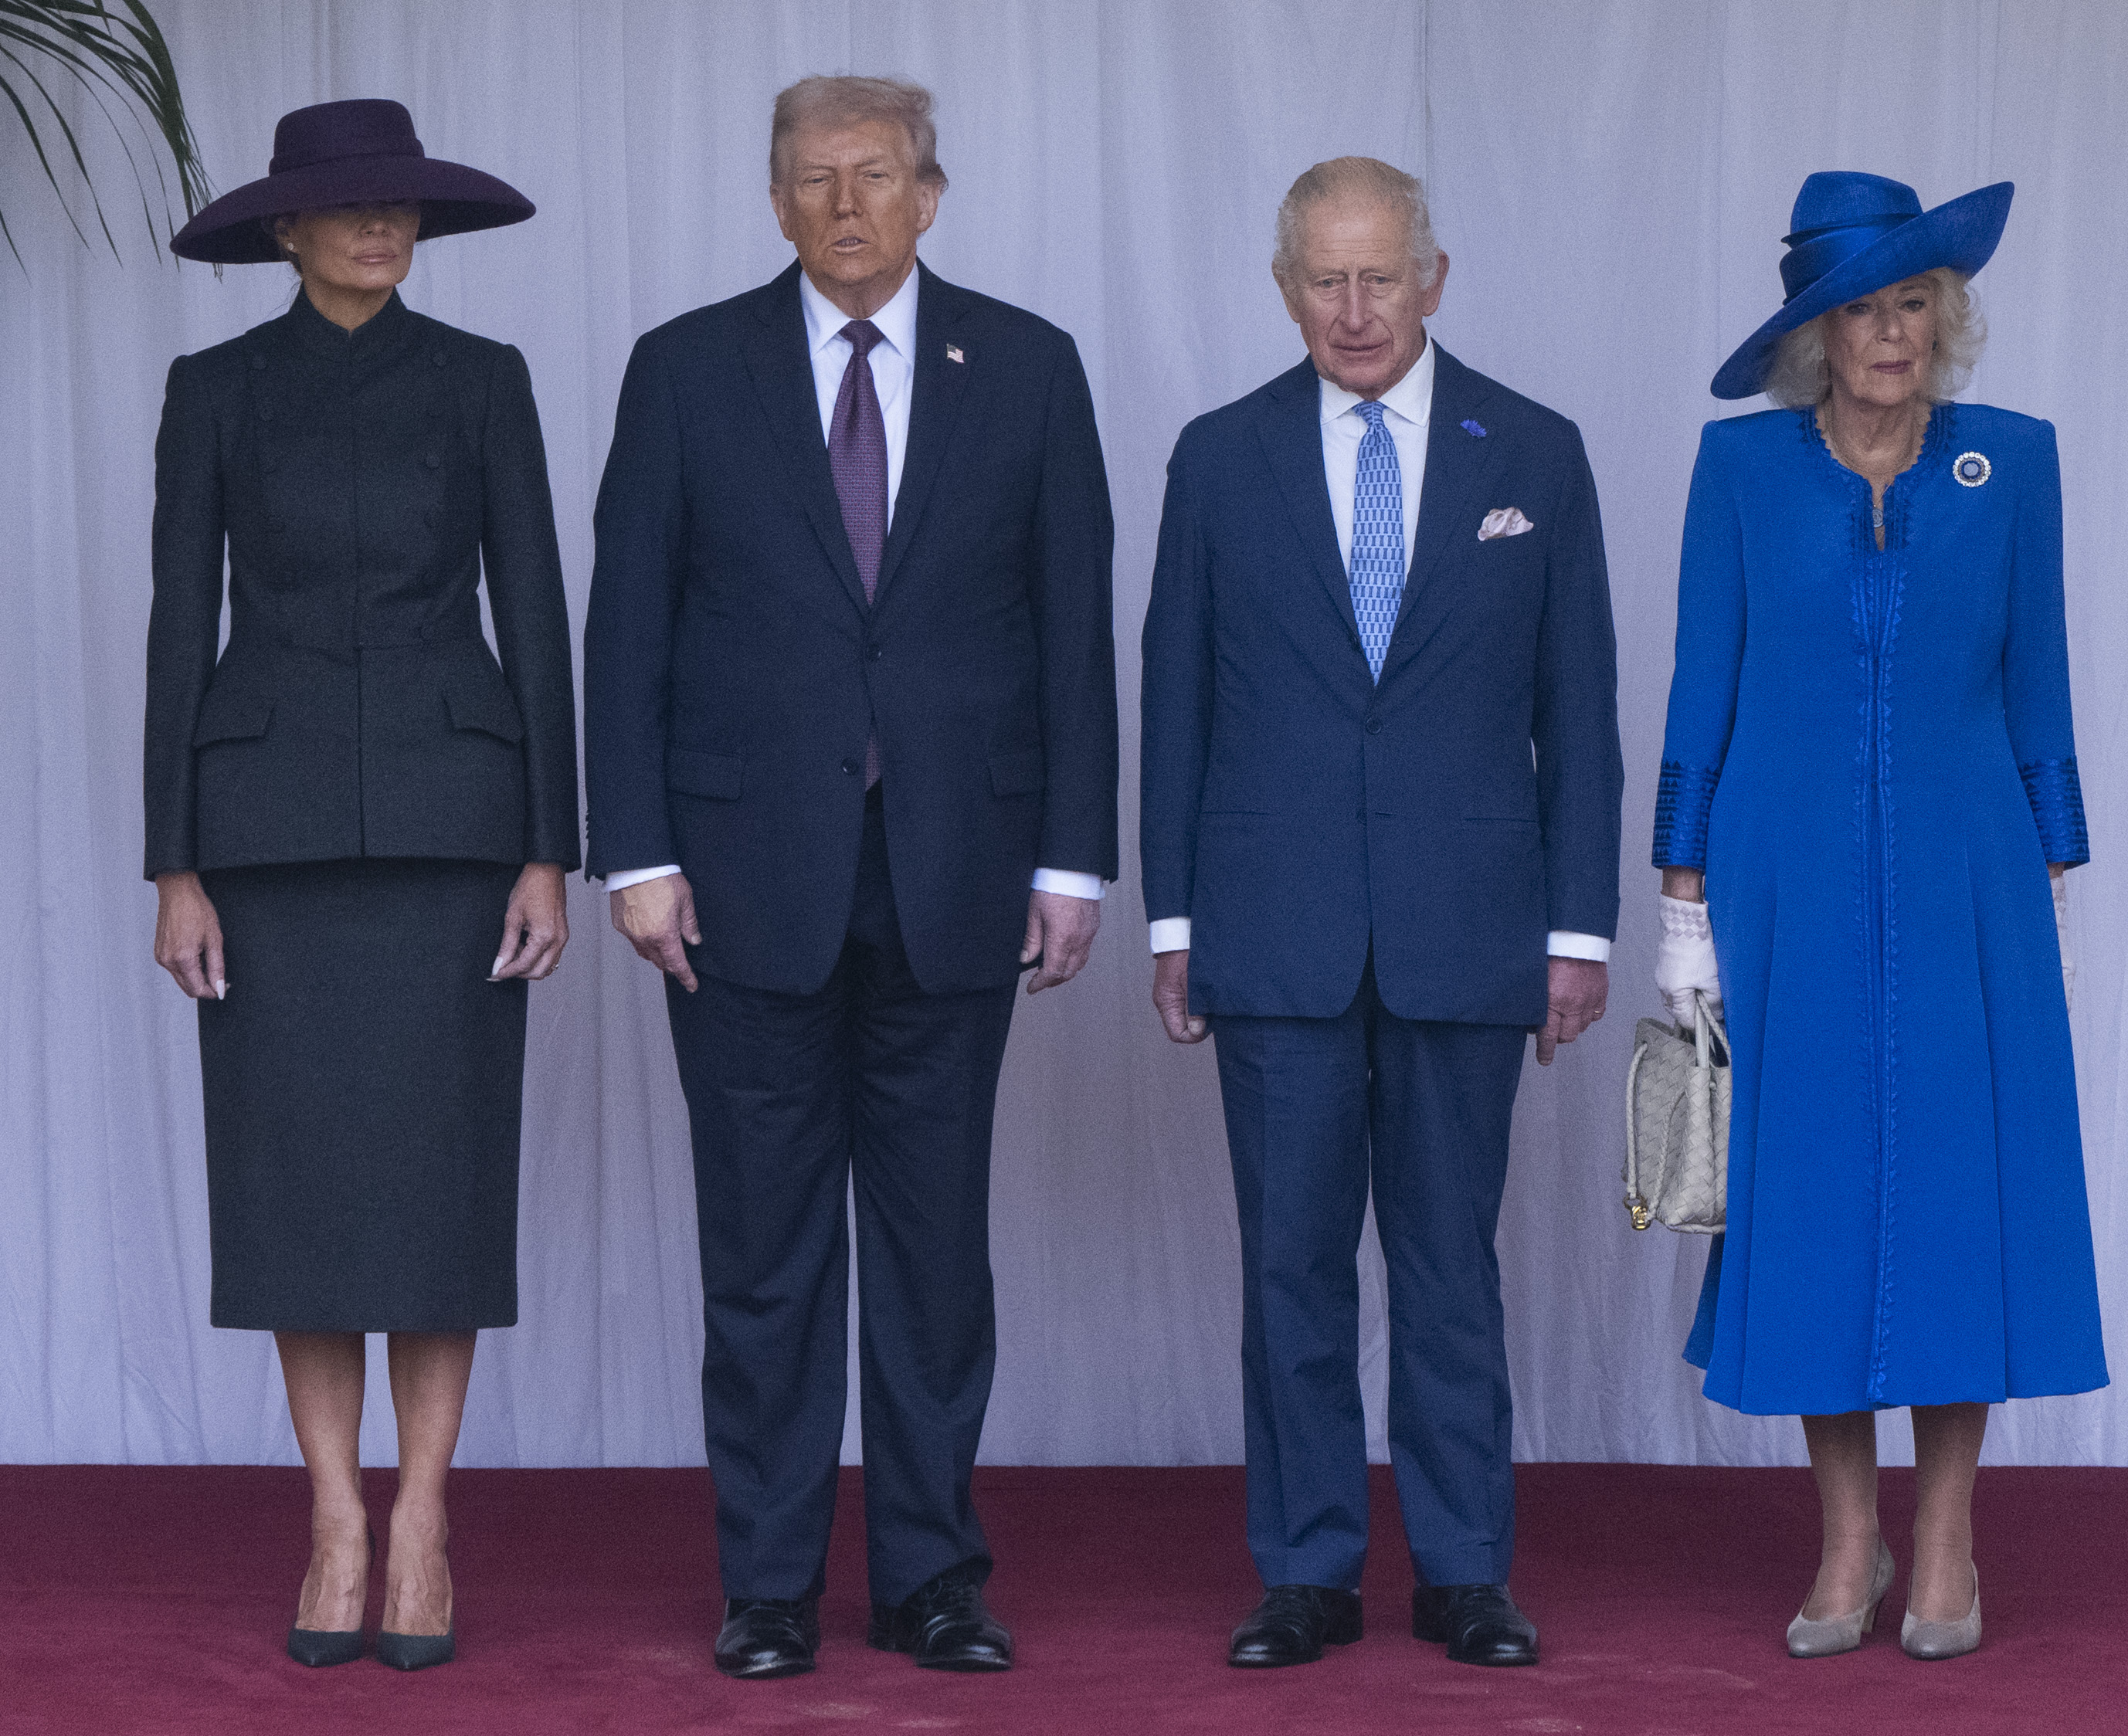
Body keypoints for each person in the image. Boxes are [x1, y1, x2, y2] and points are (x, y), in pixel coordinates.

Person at [585, 75, 1117, 1680]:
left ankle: (932, 1576)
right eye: (812, 178)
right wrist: (641, 855)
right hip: (741, 884)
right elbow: (629, 629)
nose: (843, 203)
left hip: (957, 868)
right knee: (762, 1255)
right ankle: (765, 1584)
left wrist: (1074, 858)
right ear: (774, 201)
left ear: (930, 195)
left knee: (935, 1256)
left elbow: (1071, 628)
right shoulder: (686, 370)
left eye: (874, 174)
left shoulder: (1026, 366)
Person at [1141, 157, 1623, 1670]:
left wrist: (1577, 928)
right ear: (1284, 286)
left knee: (1446, 1259)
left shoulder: (1533, 453)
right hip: (1271, 921)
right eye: (1322, 280)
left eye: (1378, 277)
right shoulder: (1219, 458)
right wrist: (1172, 918)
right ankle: (1307, 1568)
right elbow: (1174, 703)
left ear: (1435, 276)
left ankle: (1466, 1564)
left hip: (1468, 923)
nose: (1352, 310)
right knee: (1286, 1256)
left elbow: (1581, 711)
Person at [1654, 171, 2107, 1661]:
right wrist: (1684, 907)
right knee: (1818, 1200)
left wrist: (2051, 861)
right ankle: (1847, 1541)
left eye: (1914, 301)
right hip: (1785, 884)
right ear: (1815, 333)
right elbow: (1700, 691)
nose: (1891, 332)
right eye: (1861, 307)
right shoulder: (1740, 473)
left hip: (1970, 881)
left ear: (1946, 318)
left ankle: (1952, 1537)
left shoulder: (2014, 463)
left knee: (1957, 1202)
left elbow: (2035, 675)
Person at [150, 100, 578, 1671]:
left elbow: (536, 611)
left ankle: (424, 1514)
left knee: (435, 1184)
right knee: (298, 1194)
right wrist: (172, 861)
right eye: (349, 210)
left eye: (400, 208)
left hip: (453, 835)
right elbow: (171, 631)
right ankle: (334, 1512)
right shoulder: (216, 392)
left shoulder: (482, 382)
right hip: (261, 846)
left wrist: (551, 841)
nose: (382, 229)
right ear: (287, 229)